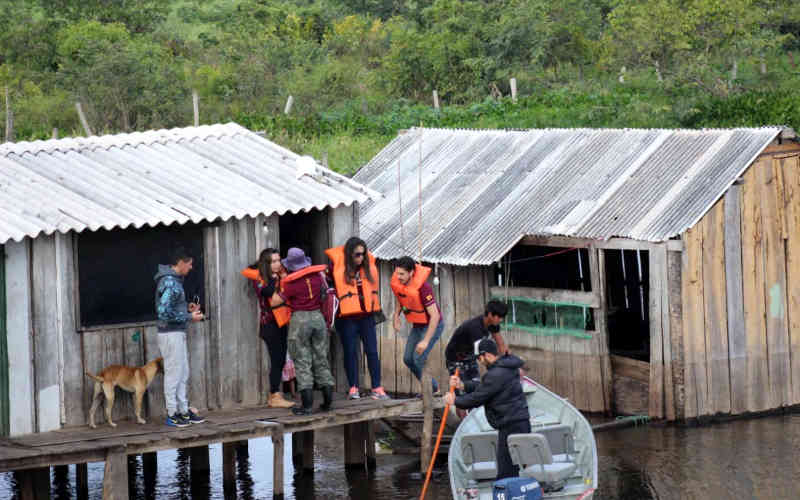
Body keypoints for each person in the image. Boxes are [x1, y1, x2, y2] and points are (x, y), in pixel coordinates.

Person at [444, 338, 530, 479]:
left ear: (488, 355)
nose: (479, 361)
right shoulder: (506, 367)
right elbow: (486, 387)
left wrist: (455, 400)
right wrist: (463, 385)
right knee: (512, 467)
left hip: (510, 426)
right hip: (519, 422)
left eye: (479, 358)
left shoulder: (495, 374)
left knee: (505, 473)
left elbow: (477, 398)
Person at [326, 237, 388, 400]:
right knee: (350, 352)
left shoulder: (368, 268)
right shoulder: (336, 268)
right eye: (357, 255)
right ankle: (353, 388)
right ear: (349, 255)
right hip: (347, 319)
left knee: (372, 351)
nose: (361, 258)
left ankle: (377, 387)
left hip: (366, 317)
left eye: (363, 254)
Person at [279, 247, 335, 415]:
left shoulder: (289, 282)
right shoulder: (318, 276)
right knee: (321, 358)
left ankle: (307, 406)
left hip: (300, 319)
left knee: (302, 361)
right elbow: (325, 295)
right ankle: (327, 402)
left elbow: (279, 300)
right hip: (318, 317)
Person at [154, 247, 206, 427]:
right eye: (190, 264)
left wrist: (186, 308)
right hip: (170, 334)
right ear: (181, 263)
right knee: (173, 374)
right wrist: (189, 317)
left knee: (183, 373)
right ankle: (172, 413)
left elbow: (172, 308)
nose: (191, 267)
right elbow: (163, 312)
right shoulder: (169, 282)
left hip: (177, 332)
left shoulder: (176, 281)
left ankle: (183, 411)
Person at [241, 248, 295, 409]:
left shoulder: (281, 274)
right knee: (277, 360)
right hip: (269, 325)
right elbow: (267, 291)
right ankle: (274, 396)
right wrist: (272, 279)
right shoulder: (260, 279)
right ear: (266, 263)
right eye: (274, 261)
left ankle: (276, 395)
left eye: (279, 260)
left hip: (282, 323)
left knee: (280, 360)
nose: (278, 264)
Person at [391, 256, 443, 396]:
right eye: (397, 273)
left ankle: (431, 390)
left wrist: (425, 341)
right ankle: (432, 387)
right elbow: (401, 297)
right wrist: (396, 316)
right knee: (408, 359)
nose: (398, 276)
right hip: (418, 325)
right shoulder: (400, 283)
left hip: (433, 325)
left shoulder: (423, 288)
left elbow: (435, 316)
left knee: (418, 358)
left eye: (402, 274)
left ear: (411, 273)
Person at [444, 299, 510, 390]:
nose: (501, 320)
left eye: (502, 317)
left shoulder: (493, 324)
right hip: (456, 360)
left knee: (476, 388)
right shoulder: (475, 328)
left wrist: (509, 363)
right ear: (490, 314)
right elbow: (483, 358)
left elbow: (501, 344)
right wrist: (499, 372)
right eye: (499, 317)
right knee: (461, 390)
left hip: (470, 357)